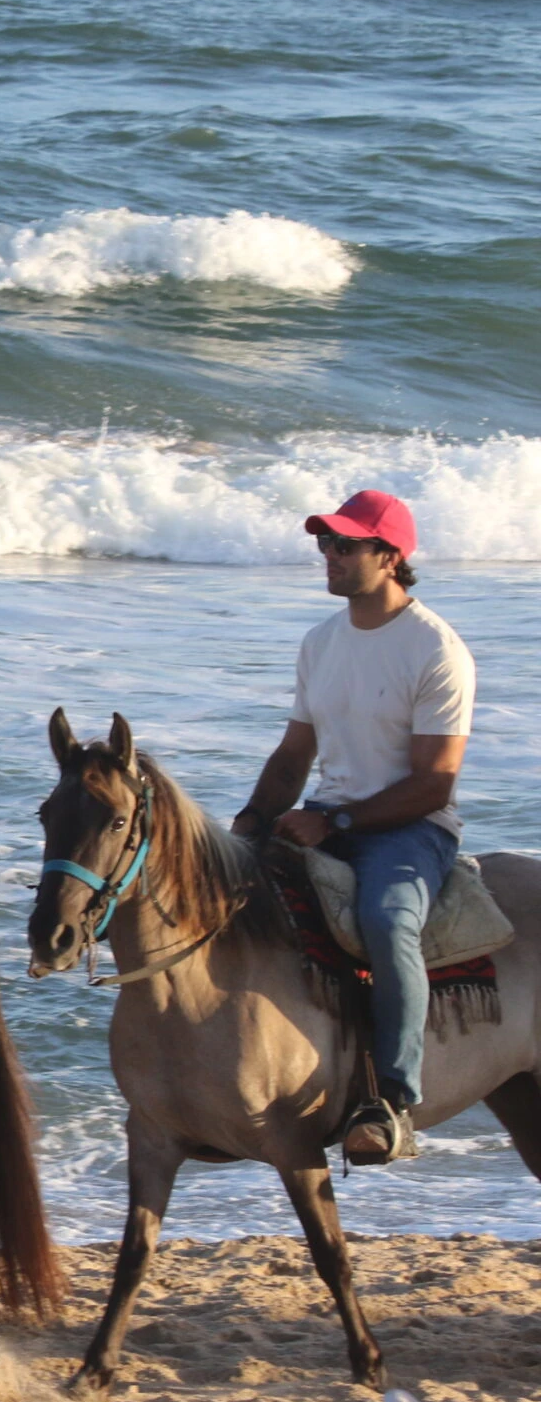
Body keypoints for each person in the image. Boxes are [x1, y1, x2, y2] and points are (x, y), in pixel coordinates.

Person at [233, 489, 473, 1167]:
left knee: (387, 918)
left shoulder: (436, 649)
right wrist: (249, 824)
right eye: (325, 544)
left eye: (344, 545)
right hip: (324, 814)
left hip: (410, 829)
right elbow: (292, 756)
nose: (329, 557)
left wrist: (334, 819)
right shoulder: (321, 642)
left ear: (389, 556)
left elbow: (435, 782)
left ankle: (392, 1100)